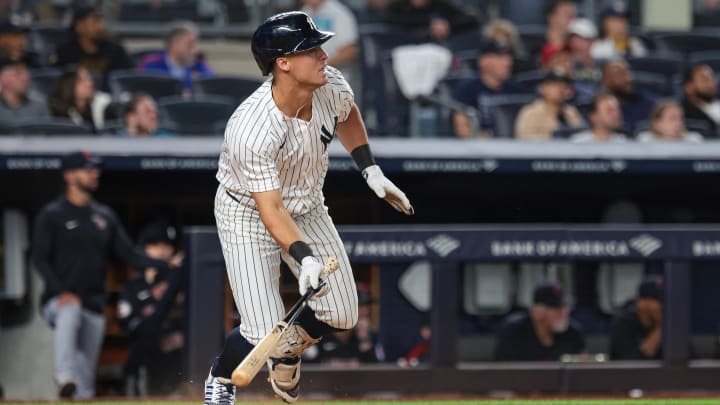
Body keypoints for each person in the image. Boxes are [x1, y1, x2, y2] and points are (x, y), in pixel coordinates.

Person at [204, 11, 413, 405]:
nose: (324, 56)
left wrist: (369, 168)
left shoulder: (331, 84)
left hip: (309, 206)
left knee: (343, 313)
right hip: (247, 213)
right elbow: (271, 210)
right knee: (262, 330)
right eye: (311, 49)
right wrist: (304, 256)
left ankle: (286, 354)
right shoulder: (251, 127)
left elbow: (347, 114)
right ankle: (221, 377)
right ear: (282, 63)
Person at [32, 151, 179, 399]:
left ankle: (75, 389)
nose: (94, 174)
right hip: (58, 301)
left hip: (94, 304)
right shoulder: (52, 215)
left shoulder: (103, 216)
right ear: (69, 175)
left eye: (95, 169)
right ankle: (64, 376)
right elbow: (40, 259)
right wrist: (61, 292)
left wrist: (164, 264)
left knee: (86, 381)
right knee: (70, 312)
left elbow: (129, 254)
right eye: (87, 169)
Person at [117, 220, 186, 396]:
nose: (161, 250)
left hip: (176, 343)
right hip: (145, 346)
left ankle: (179, 392)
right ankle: (142, 390)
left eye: (166, 245)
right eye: (155, 245)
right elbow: (127, 323)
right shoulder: (134, 286)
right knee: (146, 343)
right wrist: (152, 299)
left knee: (181, 342)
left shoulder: (180, 280)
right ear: (145, 249)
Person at [494, 282, 585, 361]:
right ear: (537, 311)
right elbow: (504, 373)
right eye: (556, 308)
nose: (563, 313)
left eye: (565, 307)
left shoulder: (573, 333)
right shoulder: (514, 331)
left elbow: (581, 371)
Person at [452, 39, 521, 138]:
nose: (508, 63)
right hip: (478, 149)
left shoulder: (517, 90)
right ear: (483, 61)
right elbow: (461, 128)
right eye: (500, 58)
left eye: (509, 57)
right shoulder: (467, 89)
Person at [54, 5, 134, 83]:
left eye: (101, 21)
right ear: (79, 26)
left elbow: (130, 79)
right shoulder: (65, 53)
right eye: (95, 22)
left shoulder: (116, 51)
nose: (101, 27)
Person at [139, 21, 214, 93]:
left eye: (195, 45)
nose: (194, 50)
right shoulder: (153, 64)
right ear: (174, 44)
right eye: (190, 45)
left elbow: (211, 84)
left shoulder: (199, 64)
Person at [514, 70, 584, 141]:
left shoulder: (571, 111)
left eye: (564, 85)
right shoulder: (530, 112)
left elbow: (581, 136)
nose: (560, 89)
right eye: (555, 85)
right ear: (542, 88)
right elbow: (524, 139)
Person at [609, 275, 663, 360]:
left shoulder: (672, 323)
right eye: (658, 301)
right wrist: (661, 328)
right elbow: (631, 364)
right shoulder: (624, 323)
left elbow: (688, 359)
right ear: (641, 302)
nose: (662, 307)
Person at [301, 0, 359, 75]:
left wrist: (320, 66)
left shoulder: (339, 13)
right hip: (309, 79)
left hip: (334, 79)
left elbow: (350, 51)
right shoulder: (303, 12)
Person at [49, 65, 111, 133]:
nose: (90, 84)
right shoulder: (58, 112)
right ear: (69, 85)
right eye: (82, 80)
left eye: (89, 79)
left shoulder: (103, 106)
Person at [600, 59, 656, 133]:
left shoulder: (647, 103)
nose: (628, 78)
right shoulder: (597, 108)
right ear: (606, 80)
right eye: (620, 74)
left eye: (628, 72)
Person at [384, 0, 479, 42]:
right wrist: (430, 24)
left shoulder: (440, 5)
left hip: (438, 51)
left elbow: (472, 18)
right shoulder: (396, 7)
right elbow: (390, 23)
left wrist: (447, 25)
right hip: (404, 52)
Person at [0, 57, 49, 125]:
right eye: (18, 73)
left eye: (26, 73)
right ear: (3, 78)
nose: (25, 78)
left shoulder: (39, 107)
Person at [682, 64, 720, 138]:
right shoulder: (682, 114)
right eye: (704, 79)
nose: (711, 83)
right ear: (688, 87)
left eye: (712, 78)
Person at [636, 100, 704, 142]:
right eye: (672, 118)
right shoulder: (645, 141)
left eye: (681, 118)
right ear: (657, 123)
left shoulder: (693, 140)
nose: (679, 123)